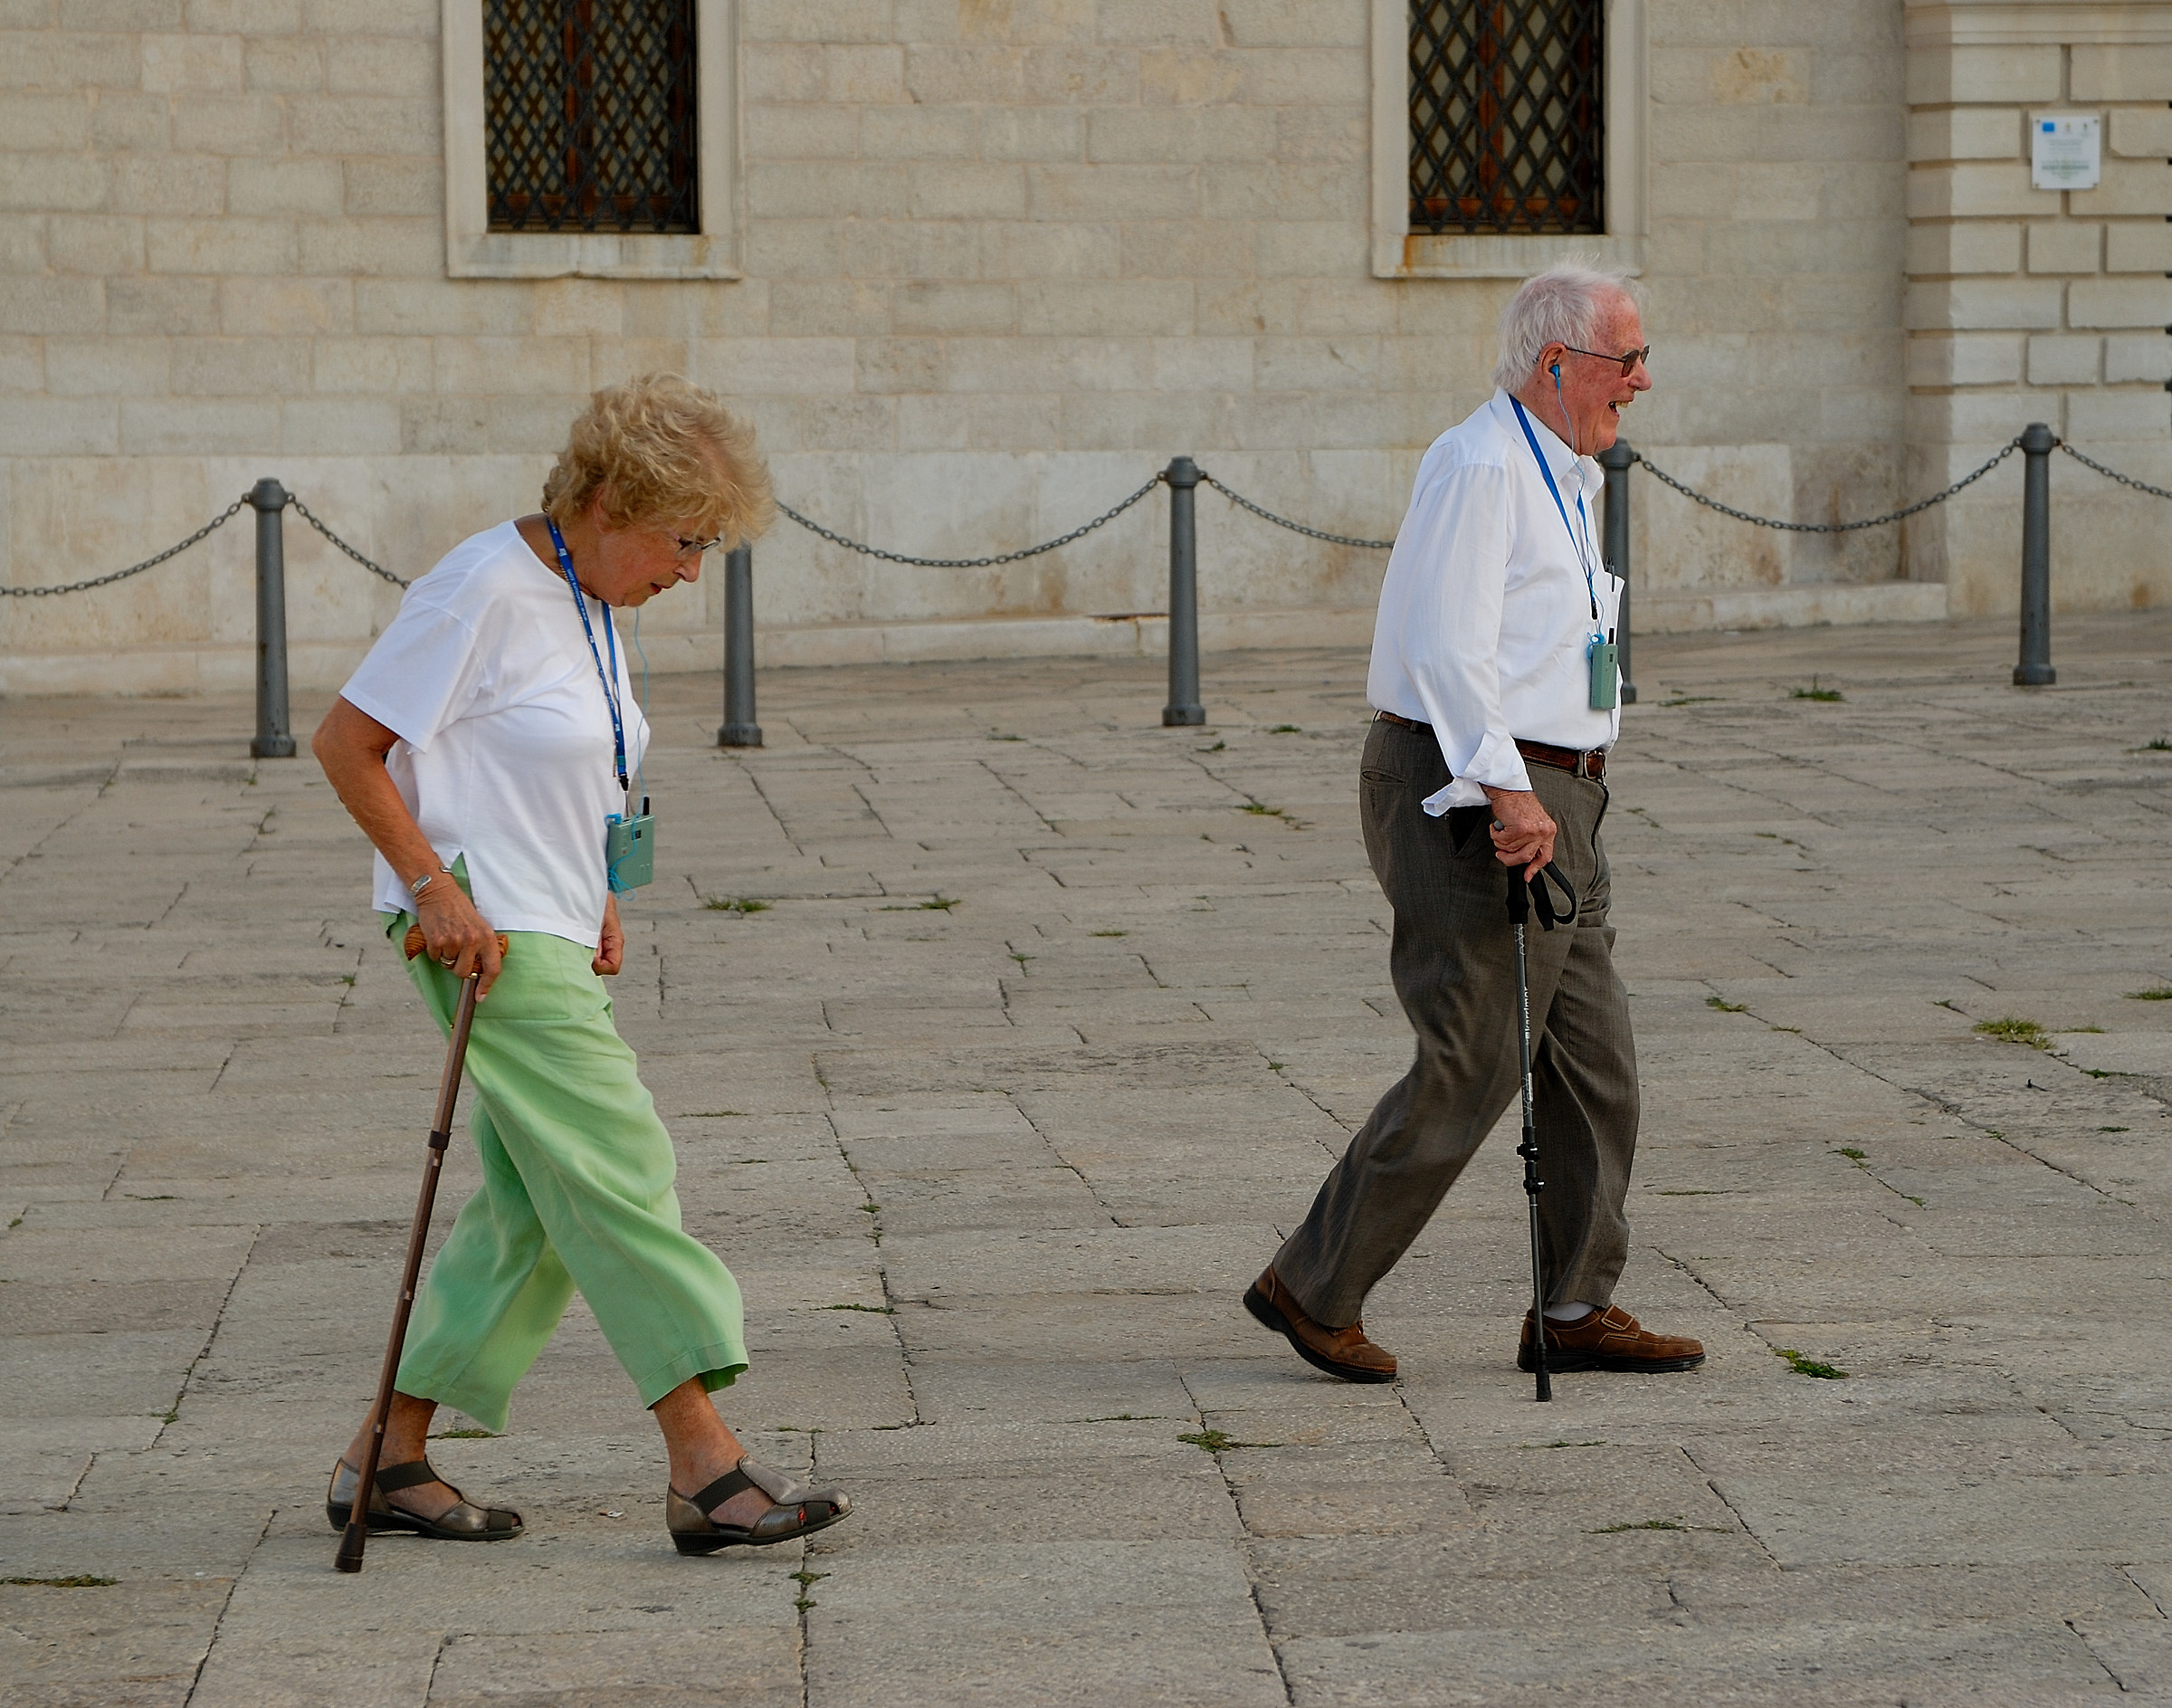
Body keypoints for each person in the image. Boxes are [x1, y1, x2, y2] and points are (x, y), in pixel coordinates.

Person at [312, 373, 850, 1554]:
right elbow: (347, 743)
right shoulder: (480, 589)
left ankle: (387, 1453)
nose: (693, 571)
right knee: (620, 1159)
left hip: (550, 917)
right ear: (608, 502)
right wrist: (435, 889)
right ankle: (705, 1461)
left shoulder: (591, 597)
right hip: (486, 936)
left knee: (534, 1207)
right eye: (686, 540)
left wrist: (602, 883)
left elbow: (566, 759)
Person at [1243, 263, 1705, 1384]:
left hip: (1562, 798)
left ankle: (1577, 1305)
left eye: (1642, 358)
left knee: (1597, 1063)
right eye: (1625, 360)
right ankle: (1313, 1284)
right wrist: (1508, 794)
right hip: (1472, 790)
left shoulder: (1562, 470)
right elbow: (1448, 648)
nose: (1642, 381)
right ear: (1557, 363)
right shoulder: (1481, 462)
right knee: (1473, 1054)